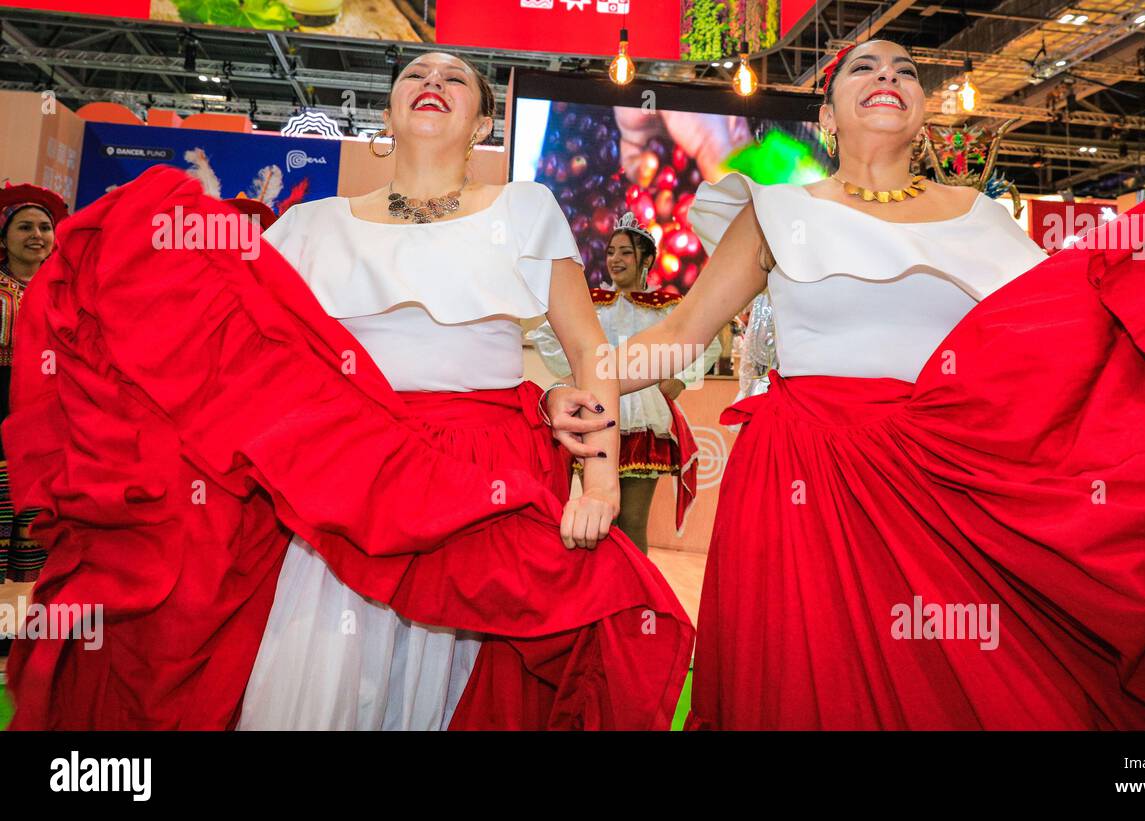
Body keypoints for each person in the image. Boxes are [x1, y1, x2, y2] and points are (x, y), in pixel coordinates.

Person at [560, 39, 1145, 729]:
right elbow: (676, 337)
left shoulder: (980, 218)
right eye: (864, 68)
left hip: (949, 485)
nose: (889, 76)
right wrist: (581, 386)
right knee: (810, 680)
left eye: (907, 70)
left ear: (922, 108)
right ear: (825, 115)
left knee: (974, 684)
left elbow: (1078, 325)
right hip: (804, 483)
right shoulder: (778, 211)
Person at [0, 52, 693, 730]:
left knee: (470, 676)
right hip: (346, 480)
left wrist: (599, 484)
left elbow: (587, 349)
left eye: (455, 78)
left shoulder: (525, 208)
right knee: (328, 676)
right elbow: (250, 355)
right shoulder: (309, 226)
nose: (432, 82)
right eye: (414, 76)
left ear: (483, 124)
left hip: (480, 476)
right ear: (388, 114)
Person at [529, 213, 721, 551]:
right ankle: (597, 599)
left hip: (642, 420)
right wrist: (577, 376)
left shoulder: (665, 309)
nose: (615, 260)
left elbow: (707, 343)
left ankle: (635, 601)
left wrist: (679, 378)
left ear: (646, 259)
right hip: (594, 413)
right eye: (611, 252)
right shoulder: (592, 304)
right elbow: (547, 336)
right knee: (595, 520)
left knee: (631, 522)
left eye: (626, 253)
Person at [0, 182, 68, 588]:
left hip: (50, 426)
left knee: (36, 530)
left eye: (44, 227)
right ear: (4, 237)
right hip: (1, 417)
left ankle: (19, 622)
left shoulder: (70, 291)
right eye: (24, 227)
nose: (37, 236)